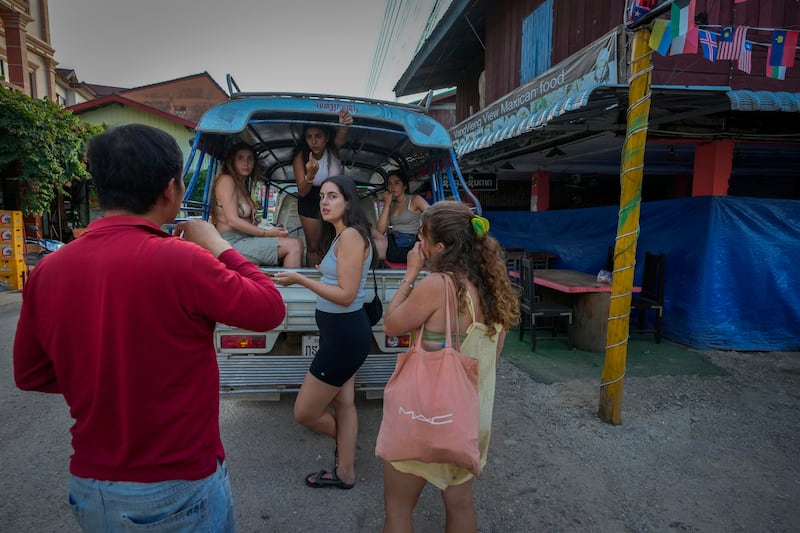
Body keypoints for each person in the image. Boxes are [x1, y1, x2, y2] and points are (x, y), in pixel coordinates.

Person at [13, 124, 287, 532]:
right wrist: (218, 246)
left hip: (93, 488)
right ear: (170, 191)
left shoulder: (48, 269)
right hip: (179, 487)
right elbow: (269, 307)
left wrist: (103, 376)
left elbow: (31, 374)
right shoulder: (183, 261)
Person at [380, 201, 520, 532]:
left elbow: (391, 325)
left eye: (422, 237)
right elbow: (491, 358)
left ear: (440, 247)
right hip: (469, 420)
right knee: (459, 505)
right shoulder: (492, 291)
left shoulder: (438, 286)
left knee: (398, 509)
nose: (419, 245)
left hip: (427, 418)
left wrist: (411, 273)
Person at [271, 175, 375, 490]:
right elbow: (341, 277)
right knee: (344, 403)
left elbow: (345, 294)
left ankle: (345, 445)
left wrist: (300, 280)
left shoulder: (352, 237)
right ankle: (345, 472)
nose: (324, 202)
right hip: (340, 333)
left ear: (348, 202)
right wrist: (323, 271)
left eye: (332, 196)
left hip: (345, 337)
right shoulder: (342, 237)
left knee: (305, 412)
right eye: (322, 197)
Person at [213, 142, 303, 267]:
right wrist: (267, 233)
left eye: (250, 158)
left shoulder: (242, 184)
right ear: (232, 161)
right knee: (294, 246)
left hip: (244, 239)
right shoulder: (227, 180)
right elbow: (233, 220)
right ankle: (287, 285)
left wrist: (268, 228)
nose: (246, 163)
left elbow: (247, 220)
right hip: (230, 242)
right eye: (241, 158)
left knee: (292, 240)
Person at [293, 108, 353, 266]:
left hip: (334, 197)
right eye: (309, 137)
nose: (313, 142)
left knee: (332, 244)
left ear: (326, 137)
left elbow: (342, 134)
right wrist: (310, 175)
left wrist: (344, 124)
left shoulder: (333, 149)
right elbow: (302, 191)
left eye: (318, 136)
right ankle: (314, 283)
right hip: (310, 199)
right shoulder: (301, 156)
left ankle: (331, 280)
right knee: (313, 247)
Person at [375, 170, 429, 263]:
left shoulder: (415, 200)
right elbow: (380, 230)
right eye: (390, 184)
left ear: (404, 186)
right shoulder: (391, 205)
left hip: (409, 242)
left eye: (396, 183)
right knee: (369, 232)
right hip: (395, 240)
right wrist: (387, 204)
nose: (392, 187)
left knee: (374, 243)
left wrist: (423, 230)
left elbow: (434, 214)